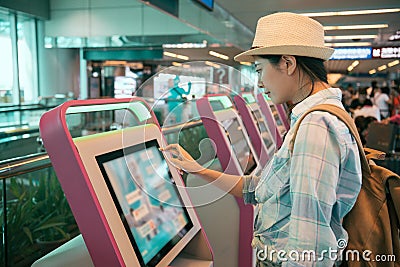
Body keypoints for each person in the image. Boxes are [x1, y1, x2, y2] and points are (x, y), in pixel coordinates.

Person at [162, 12, 362, 266]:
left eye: (260, 70)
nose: (259, 83)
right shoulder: (309, 118)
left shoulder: (316, 126)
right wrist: (199, 170)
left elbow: (309, 244)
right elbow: (258, 189)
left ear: (288, 63)